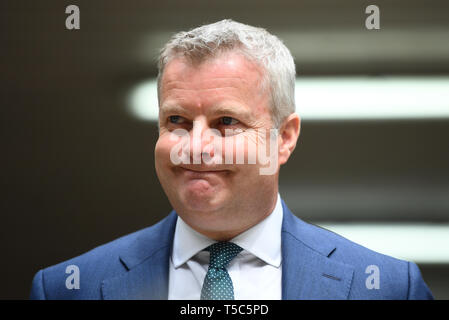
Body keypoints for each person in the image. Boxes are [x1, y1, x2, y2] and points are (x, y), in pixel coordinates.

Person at [30, 19, 433, 300]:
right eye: (177, 120)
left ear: (284, 138)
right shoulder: (70, 288)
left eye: (226, 121)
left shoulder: (386, 288)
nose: (196, 145)